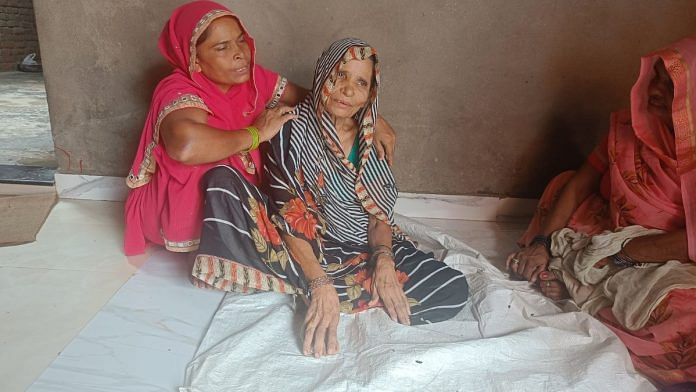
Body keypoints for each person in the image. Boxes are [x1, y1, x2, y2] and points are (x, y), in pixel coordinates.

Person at [192, 38, 470, 358]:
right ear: (322, 75)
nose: (348, 90)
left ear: (370, 94)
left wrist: (383, 260)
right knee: (221, 184)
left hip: (359, 249)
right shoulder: (289, 127)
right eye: (340, 75)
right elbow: (289, 213)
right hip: (301, 241)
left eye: (361, 82)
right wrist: (319, 281)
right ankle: (327, 288)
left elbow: (378, 215)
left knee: (452, 290)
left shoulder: (371, 140)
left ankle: (316, 285)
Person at [123, 1, 396, 256]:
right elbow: (186, 146)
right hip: (177, 209)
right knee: (220, 171)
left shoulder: (251, 77)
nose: (240, 54)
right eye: (222, 48)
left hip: (237, 200)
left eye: (240, 40)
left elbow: (316, 99)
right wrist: (256, 134)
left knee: (294, 125)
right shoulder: (178, 88)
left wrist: (369, 115)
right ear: (194, 59)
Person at [507, 36, 696, 386]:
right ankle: (583, 281)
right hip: (613, 232)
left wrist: (627, 254)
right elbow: (579, 183)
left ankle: (580, 285)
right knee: (560, 187)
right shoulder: (628, 128)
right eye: (654, 77)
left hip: (669, 253)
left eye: (669, 85)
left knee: (685, 317)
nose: (653, 90)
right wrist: (543, 243)